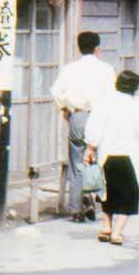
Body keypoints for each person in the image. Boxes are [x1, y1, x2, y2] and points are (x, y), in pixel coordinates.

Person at [84, 70, 139, 247]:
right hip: (129, 156)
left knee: (106, 192)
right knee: (129, 195)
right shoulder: (137, 108)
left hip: (106, 153)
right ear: (135, 88)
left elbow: (94, 127)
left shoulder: (104, 104)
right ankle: (117, 232)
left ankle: (106, 227)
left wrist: (90, 147)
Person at [51, 30, 117, 222]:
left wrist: (65, 107)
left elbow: (56, 91)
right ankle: (95, 200)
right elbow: (112, 95)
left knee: (77, 161)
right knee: (98, 160)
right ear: (98, 49)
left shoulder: (69, 69)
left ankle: (77, 208)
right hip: (101, 116)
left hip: (78, 115)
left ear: (79, 47)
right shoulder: (106, 69)